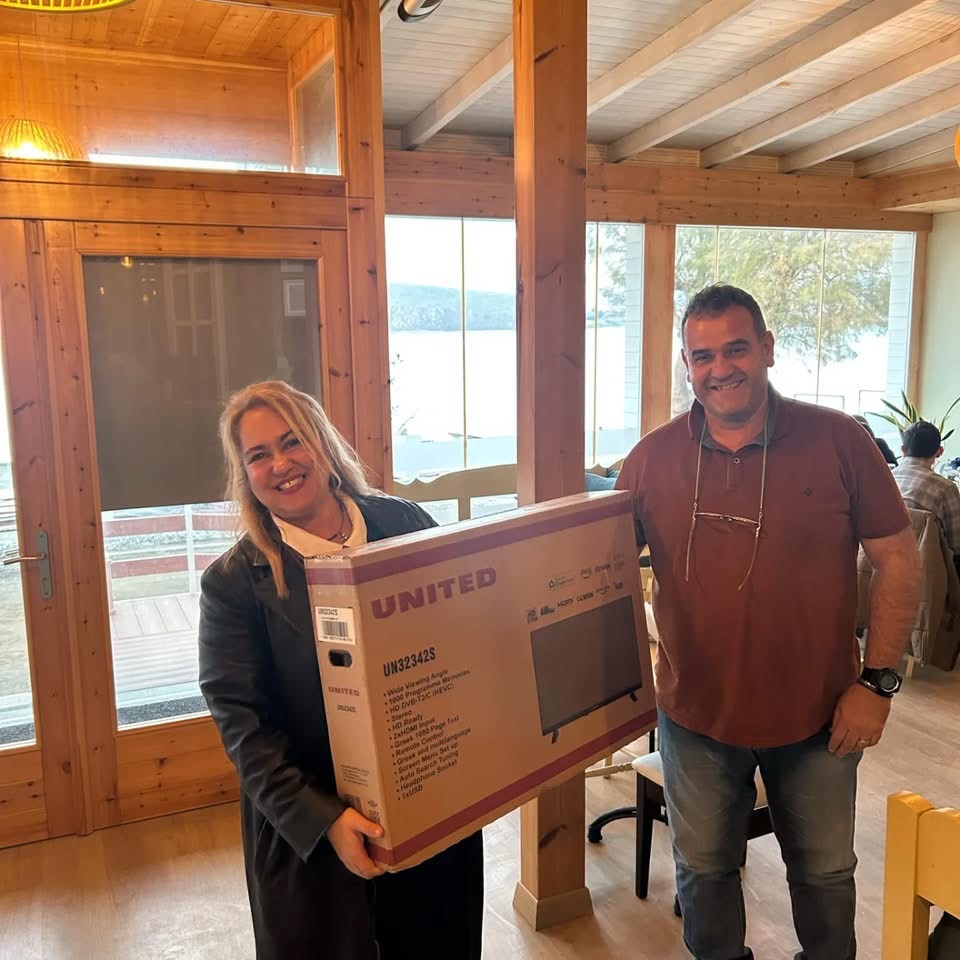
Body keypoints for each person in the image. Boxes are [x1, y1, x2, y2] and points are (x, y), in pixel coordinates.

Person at [616, 285, 920, 960]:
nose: (720, 369)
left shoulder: (839, 441)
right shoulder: (650, 460)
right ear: (686, 364)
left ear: (768, 349)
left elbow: (900, 562)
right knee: (703, 874)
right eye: (702, 356)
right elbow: (594, 577)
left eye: (736, 349)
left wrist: (878, 684)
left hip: (821, 718)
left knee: (825, 876)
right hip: (695, 717)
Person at [198, 380, 483, 960]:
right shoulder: (232, 583)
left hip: (430, 802)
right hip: (313, 834)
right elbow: (244, 729)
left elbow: (461, 637)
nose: (281, 464)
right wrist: (324, 820)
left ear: (322, 443)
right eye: (259, 455)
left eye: (292, 441)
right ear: (246, 475)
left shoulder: (404, 521)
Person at [893, 420, 960, 564]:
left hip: (878, 566)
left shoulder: (883, 479)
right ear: (940, 452)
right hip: (927, 569)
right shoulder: (946, 488)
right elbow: (956, 545)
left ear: (903, 450)